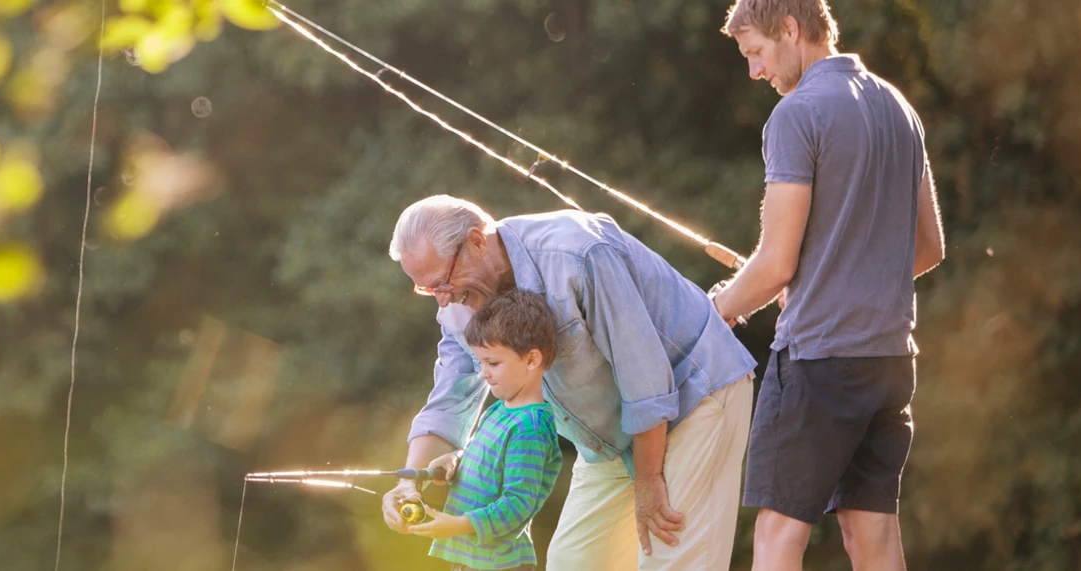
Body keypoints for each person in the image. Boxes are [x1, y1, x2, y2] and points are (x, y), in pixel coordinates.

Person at [380, 196, 756, 570]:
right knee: (572, 563)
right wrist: (410, 480)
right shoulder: (458, 307)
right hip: (612, 436)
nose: (443, 301)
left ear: (477, 242)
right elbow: (449, 399)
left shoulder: (575, 252)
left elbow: (643, 373)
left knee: (671, 558)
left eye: (442, 282)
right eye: (428, 290)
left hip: (694, 394)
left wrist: (648, 478)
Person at [711, 1, 945, 570]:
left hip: (818, 361)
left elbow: (774, 267)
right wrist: (834, 280)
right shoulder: (899, 108)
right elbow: (929, 249)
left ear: (790, 30)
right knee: (874, 535)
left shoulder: (797, 115)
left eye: (756, 53)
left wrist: (716, 308)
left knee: (777, 533)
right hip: (890, 360)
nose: (754, 71)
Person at [407, 290, 565, 571]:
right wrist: (457, 458)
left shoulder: (530, 427)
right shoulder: (500, 410)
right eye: (480, 363)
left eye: (493, 363)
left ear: (531, 359)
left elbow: (518, 503)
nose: (483, 373)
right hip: (470, 560)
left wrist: (459, 525)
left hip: (499, 564)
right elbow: (487, 456)